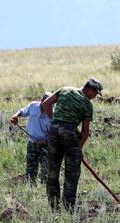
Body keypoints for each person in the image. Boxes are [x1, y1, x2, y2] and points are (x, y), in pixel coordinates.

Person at [41, 78, 103, 212]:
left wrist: (54, 121)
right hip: (70, 134)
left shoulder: (64, 89)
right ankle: (69, 207)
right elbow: (85, 131)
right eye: (95, 93)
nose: (95, 97)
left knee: (53, 171)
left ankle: (54, 207)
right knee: (72, 172)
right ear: (90, 89)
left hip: (53, 132)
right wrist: (78, 149)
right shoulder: (87, 105)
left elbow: (45, 105)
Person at [10, 92, 52, 184]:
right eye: (46, 103)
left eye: (50, 104)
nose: (47, 106)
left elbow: (55, 136)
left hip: (45, 145)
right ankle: (31, 187)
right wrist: (15, 116)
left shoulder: (52, 116)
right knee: (30, 168)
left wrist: (43, 142)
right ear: (41, 101)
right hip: (32, 143)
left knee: (46, 169)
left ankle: (44, 188)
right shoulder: (33, 106)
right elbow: (22, 111)